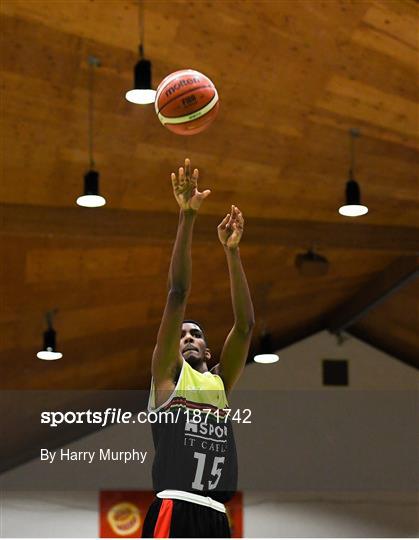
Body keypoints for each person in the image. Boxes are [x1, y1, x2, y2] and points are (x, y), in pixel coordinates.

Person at [142, 158, 255, 538]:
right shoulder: (167, 376)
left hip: (216, 517)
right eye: (182, 334)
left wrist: (233, 253)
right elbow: (178, 293)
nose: (188, 336)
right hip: (174, 507)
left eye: (196, 334)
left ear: (209, 350)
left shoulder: (220, 386)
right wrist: (187, 216)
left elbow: (245, 327)